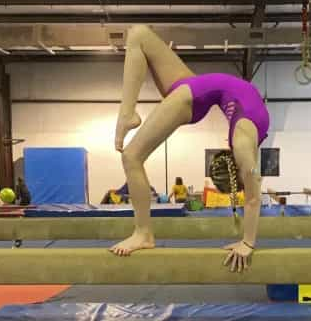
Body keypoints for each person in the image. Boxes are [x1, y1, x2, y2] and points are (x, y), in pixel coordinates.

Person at [111, 25, 270, 273]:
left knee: (132, 156)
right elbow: (253, 196)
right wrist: (248, 242)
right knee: (138, 34)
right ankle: (143, 232)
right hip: (196, 91)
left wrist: (248, 239)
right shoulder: (242, 144)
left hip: (201, 89)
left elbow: (251, 191)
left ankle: (143, 233)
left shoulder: (247, 139)